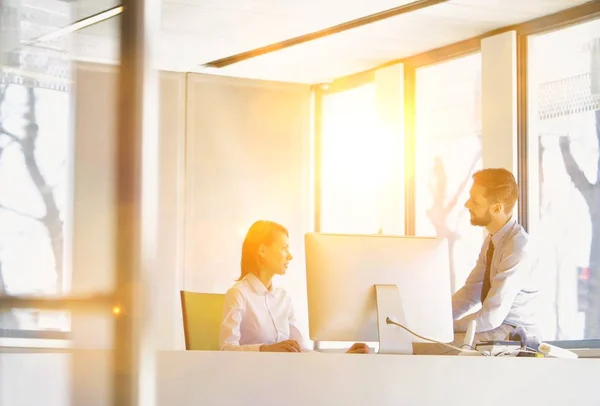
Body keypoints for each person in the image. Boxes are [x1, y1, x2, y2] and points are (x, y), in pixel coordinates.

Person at [415, 168, 540, 355]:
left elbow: (492, 317)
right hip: (495, 328)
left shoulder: (517, 249)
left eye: (475, 200)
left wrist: (446, 327)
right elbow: (470, 292)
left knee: (423, 348)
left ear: (496, 208)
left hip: (512, 333)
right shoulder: (493, 241)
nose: (467, 204)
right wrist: (435, 320)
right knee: (417, 342)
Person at [219, 220, 370, 353]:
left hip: (285, 377)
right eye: (284, 247)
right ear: (262, 251)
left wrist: (342, 358)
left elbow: (300, 350)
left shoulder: (283, 298)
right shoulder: (239, 294)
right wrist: (265, 349)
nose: (289, 256)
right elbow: (227, 349)